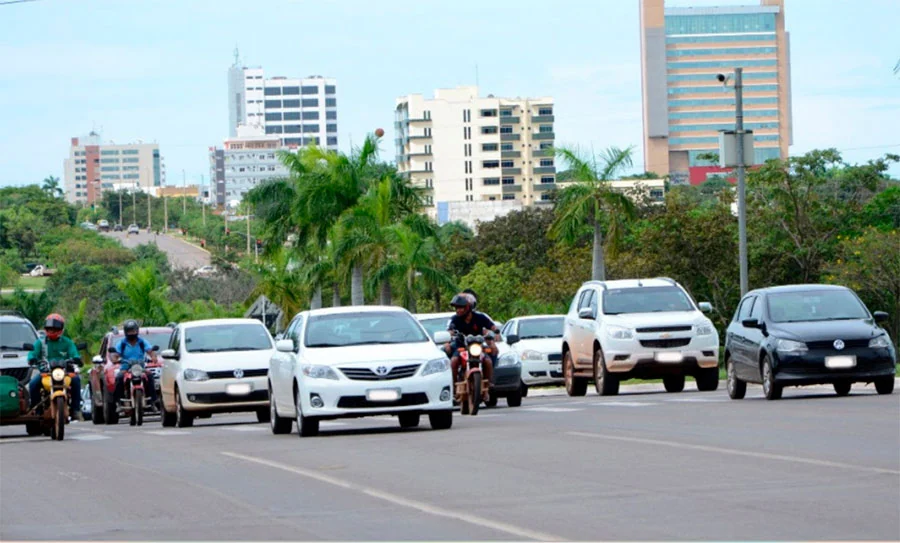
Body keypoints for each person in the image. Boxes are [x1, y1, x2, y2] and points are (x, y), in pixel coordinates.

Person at [27, 313, 82, 420]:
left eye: (54, 328)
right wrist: (32, 358)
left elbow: (74, 353)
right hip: (46, 373)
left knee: (76, 380)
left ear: (60, 329)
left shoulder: (67, 342)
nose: (51, 331)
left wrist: (76, 358)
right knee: (33, 384)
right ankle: (36, 409)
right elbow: (32, 353)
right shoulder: (40, 342)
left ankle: (76, 409)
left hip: (64, 372)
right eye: (49, 328)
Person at [446, 292, 501, 393]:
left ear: (468, 307)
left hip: (477, 347)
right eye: (456, 308)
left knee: (488, 361)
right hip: (461, 347)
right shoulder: (454, 319)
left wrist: (496, 332)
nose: (458, 310)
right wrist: (450, 335)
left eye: (461, 307)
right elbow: (449, 330)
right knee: (453, 361)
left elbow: (492, 326)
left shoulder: (480, 317)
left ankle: (488, 383)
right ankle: (453, 387)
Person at [110, 320, 158, 408]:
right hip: (126, 368)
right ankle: (118, 402)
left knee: (150, 376)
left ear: (137, 331)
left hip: (140, 368)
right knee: (119, 378)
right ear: (125, 332)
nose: (132, 333)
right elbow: (115, 355)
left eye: (133, 331)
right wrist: (114, 359)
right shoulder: (122, 343)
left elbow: (150, 351)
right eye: (129, 331)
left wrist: (154, 357)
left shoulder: (142, 342)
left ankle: (153, 401)